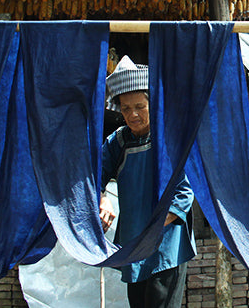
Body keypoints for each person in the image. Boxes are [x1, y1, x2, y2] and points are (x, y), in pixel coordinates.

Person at [99, 56, 196, 308]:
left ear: (153, 104)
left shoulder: (170, 139)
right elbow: (93, 176)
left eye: (140, 106)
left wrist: (152, 230)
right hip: (133, 246)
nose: (133, 115)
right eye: (125, 108)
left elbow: (184, 194)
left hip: (165, 246)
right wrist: (102, 197)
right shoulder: (117, 142)